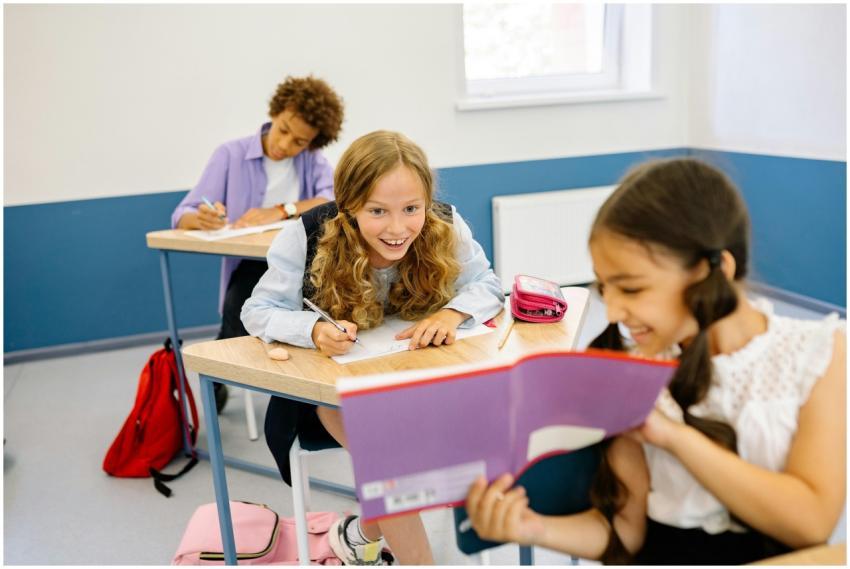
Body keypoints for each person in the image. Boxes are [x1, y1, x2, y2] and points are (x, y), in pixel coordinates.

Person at [465, 158, 846, 564]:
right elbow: (627, 534)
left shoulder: (817, 352)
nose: (611, 311)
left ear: (712, 271)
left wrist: (673, 437)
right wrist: (530, 528)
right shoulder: (628, 367)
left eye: (631, 288)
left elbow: (811, 523)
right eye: (604, 287)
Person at [241, 130, 504, 565]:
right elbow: (258, 310)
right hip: (336, 392)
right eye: (378, 211)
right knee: (394, 470)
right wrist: (312, 330)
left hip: (416, 377)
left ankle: (358, 536)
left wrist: (452, 314)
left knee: (418, 464)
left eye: (411, 209)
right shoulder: (305, 235)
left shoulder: (444, 222)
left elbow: (487, 284)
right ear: (349, 205)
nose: (398, 228)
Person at [171, 75, 344, 410]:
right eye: (283, 130)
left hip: (303, 265)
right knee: (242, 300)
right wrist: (201, 219)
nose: (286, 144)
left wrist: (280, 210)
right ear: (276, 112)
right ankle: (220, 373)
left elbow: (333, 199)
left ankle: (301, 387)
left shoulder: (313, 161)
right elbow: (182, 214)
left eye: (299, 142)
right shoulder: (230, 155)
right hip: (252, 263)